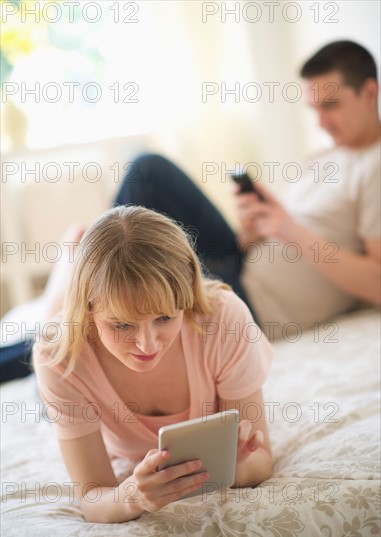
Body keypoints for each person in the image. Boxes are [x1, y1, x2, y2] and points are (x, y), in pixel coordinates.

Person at [1, 39, 380, 380]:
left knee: (138, 288)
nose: (321, 122)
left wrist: (289, 230)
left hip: (250, 300)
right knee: (148, 170)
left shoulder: (375, 165)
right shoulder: (326, 157)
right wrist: (255, 227)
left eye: (331, 105)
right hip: (241, 259)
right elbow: (279, 241)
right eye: (313, 108)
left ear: (370, 92)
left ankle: (78, 303)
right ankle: (96, 273)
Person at [33, 205, 273, 523]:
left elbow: (261, 461)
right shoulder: (59, 356)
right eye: (122, 325)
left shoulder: (224, 319)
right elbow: (94, 499)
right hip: (65, 362)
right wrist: (131, 497)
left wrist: (237, 466)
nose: (147, 345)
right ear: (88, 310)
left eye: (165, 317)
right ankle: (66, 263)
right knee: (46, 329)